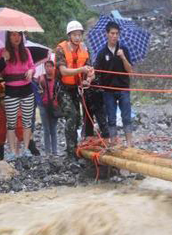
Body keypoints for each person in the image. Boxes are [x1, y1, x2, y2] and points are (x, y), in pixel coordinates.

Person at [0, 31, 35, 158]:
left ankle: (26, 149)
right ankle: (11, 151)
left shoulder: (26, 51)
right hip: (10, 89)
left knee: (27, 122)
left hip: (26, 88)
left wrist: (31, 71)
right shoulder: (2, 51)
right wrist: (3, 58)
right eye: (13, 35)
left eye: (19, 35)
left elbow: (32, 66)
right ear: (8, 37)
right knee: (11, 122)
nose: (17, 38)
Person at [55, 20, 93, 158]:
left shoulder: (84, 49)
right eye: (74, 35)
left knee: (77, 119)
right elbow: (64, 71)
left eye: (79, 34)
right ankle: (71, 153)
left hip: (76, 88)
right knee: (71, 116)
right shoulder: (61, 49)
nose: (77, 37)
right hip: (63, 88)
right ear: (69, 35)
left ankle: (75, 148)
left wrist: (88, 79)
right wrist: (81, 69)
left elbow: (89, 69)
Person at [94, 21, 133, 146]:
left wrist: (123, 57)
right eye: (112, 33)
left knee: (126, 117)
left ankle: (130, 143)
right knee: (111, 118)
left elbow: (130, 70)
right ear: (107, 34)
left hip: (123, 88)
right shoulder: (101, 52)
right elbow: (96, 71)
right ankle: (114, 143)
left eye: (117, 33)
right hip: (108, 90)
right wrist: (88, 79)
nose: (114, 36)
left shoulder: (124, 49)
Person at [38, 60, 58, 155]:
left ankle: (54, 151)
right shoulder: (41, 78)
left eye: (50, 66)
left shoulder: (57, 79)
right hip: (43, 105)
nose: (48, 68)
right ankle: (47, 152)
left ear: (53, 67)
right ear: (44, 67)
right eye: (46, 66)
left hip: (54, 106)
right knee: (46, 130)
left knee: (53, 129)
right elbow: (39, 90)